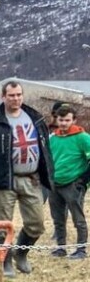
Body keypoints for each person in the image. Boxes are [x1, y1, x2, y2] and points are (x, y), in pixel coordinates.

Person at [0, 80, 54, 278]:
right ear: (3, 97)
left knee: (36, 223)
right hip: (2, 180)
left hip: (31, 179)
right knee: (1, 225)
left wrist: (49, 175)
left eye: (18, 95)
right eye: (11, 95)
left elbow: (46, 151)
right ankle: (5, 262)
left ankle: (21, 254)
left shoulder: (35, 118)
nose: (15, 98)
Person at [48, 103, 90, 259]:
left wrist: (83, 181)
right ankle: (61, 247)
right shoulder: (52, 139)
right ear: (56, 119)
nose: (63, 123)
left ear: (74, 120)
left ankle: (81, 249)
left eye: (67, 120)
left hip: (73, 184)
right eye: (61, 120)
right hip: (55, 184)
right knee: (58, 219)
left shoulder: (83, 138)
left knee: (78, 219)